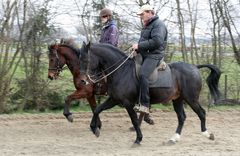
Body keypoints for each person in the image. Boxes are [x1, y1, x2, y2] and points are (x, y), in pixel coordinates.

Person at [132, 4, 168, 114]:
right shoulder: (147, 25)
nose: (141, 17)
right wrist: (136, 49)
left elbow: (157, 42)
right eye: (140, 15)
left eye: (142, 14)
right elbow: (144, 41)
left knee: (143, 74)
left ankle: (145, 105)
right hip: (145, 54)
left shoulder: (158, 25)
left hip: (154, 55)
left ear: (149, 12)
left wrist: (139, 46)